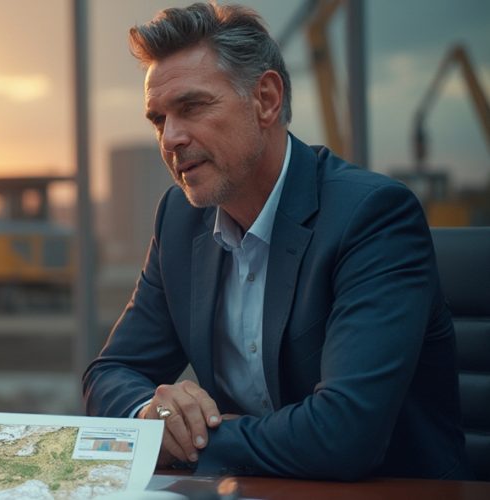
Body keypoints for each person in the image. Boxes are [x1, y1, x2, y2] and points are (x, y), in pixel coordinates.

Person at [82, 2, 469, 481]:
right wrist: (147, 415)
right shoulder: (180, 219)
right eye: (158, 120)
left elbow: (344, 434)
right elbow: (111, 372)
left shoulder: (373, 218)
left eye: (191, 107)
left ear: (265, 99)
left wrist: (187, 441)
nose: (171, 139)